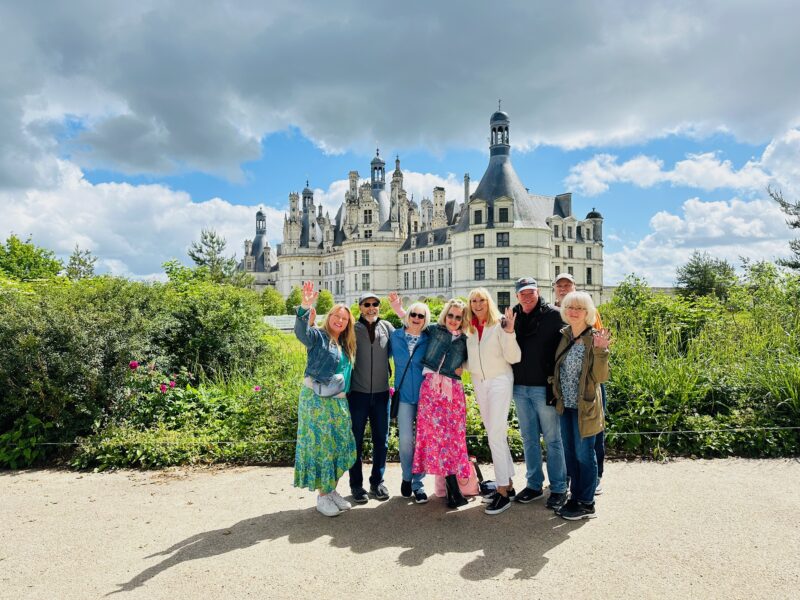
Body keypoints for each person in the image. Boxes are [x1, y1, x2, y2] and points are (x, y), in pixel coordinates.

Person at [293, 280, 358, 517]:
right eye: (336, 316)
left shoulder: (344, 343)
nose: (339, 321)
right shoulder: (319, 337)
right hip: (316, 400)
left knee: (342, 444)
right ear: (329, 317)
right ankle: (322, 496)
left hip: (338, 400)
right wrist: (304, 307)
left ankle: (331, 490)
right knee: (321, 446)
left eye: (344, 319)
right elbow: (302, 333)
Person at [511, 277, 569, 510]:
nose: (527, 296)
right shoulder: (512, 317)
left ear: (538, 292)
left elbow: (573, 338)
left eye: (530, 292)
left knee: (553, 439)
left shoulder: (554, 315)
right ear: (517, 296)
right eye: (522, 293)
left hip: (543, 387)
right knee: (529, 439)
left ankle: (558, 488)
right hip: (520, 387)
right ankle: (534, 485)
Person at [551, 291, 610, 520]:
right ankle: (575, 497)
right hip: (565, 406)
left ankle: (586, 502)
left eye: (579, 308)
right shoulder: (565, 335)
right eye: (570, 307)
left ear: (588, 313)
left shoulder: (594, 337)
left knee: (585, 454)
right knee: (570, 453)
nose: (573, 311)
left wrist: (601, 351)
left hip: (585, 406)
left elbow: (601, 377)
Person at [408, 298, 471, 509]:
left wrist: (465, 366)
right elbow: (413, 326)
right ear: (445, 315)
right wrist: (400, 308)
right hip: (431, 389)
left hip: (453, 391)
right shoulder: (434, 330)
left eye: (458, 317)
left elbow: (478, 357)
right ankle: (452, 489)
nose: (453, 320)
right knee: (437, 438)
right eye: (451, 315)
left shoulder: (466, 338)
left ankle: (452, 488)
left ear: (463, 319)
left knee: (453, 439)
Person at [464, 288, 521, 515]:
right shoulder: (469, 329)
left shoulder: (500, 325)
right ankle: (508, 484)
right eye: (473, 301)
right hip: (480, 382)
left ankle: (502, 492)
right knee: (495, 433)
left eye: (482, 300)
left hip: (499, 381)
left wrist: (510, 333)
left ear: (489, 302)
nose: (478, 304)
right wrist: (462, 367)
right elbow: (474, 360)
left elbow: (514, 357)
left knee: (495, 435)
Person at [348, 292, 395, 503]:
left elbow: (407, 339)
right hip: (357, 395)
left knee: (381, 441)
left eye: (375, 304)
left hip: (382, 394)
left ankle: (377, 482)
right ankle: (356, 486)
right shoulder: (352, 329)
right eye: (367, 304)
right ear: (360, 307)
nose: (371, 307)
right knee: (355, 441)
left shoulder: (387, 328)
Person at [387, 293, 430, 504]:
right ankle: (406, 476)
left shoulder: (428, 338)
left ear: (425, 320)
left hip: (424, 397)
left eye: (420, 316)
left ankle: (418, 484)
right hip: (404, 396)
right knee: (405, 441)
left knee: (421, 442)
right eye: (413, 314)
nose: (416, 318)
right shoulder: (395, 336)